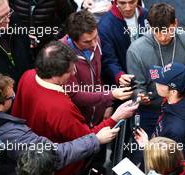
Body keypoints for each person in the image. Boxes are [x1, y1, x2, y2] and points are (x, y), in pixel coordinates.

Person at [11, 41, 139, 175]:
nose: (73, 73)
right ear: (55, 76)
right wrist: (116, 117)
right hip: (63, 168)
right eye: (70, 71)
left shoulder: (28, 76)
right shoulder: (61, 108)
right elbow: (87, 139)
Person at [0, 73, 119, 175]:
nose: (15, 96)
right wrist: (96, 139)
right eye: (11, 97)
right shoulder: (13, 135)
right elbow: (54, 154)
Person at [126, 2, 185, 137]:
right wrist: (140, 96)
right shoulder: (136, 51)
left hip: (179, 108)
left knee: (175, 153)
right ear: (150, 27)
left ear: (175, 23)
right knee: (144, 153)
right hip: (150, 111)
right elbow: (137, 87)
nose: (163, 37)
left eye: (168, 30)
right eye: (157, 32)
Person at [61, 10, 134, 126]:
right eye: (87, 41)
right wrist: (110, 95)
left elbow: (98, 77)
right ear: (73, 39)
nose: (94, 44)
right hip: (79, 122)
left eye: (95, 37)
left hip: (99, 116)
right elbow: (75, 95)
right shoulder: (62, 56)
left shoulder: (94, 40)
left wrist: (108, 104)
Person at [134, 63, 185, 159]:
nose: (155, 82)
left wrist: (147, 147)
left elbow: (168, 165)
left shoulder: (178, 130)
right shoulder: (176, 103)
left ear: (173, 92)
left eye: (161, 82)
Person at [98, 0, 148, 85]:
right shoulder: (105, 25)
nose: (128, 8)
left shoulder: (147, 15)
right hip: (125, 80)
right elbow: (108, 59)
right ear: (115, 1)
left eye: (132, 2)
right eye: (122, 3)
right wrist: (119, 75)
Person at [9, 0, 77, 51]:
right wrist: (21, 36)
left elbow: (69, 18)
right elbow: (8, 17)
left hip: (48, 47)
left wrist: (54, 38)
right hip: (20, 45)